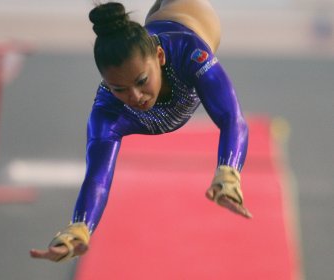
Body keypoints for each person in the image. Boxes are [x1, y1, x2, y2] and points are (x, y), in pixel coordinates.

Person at [30, 0, 252, 263]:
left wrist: (228, 173)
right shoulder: (108, 111)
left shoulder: (188, 52)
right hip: (155, 23)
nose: (134, 96)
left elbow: (232, 118)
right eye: (119, 88)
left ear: (159, 57)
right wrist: (79, 229)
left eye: (141, 81)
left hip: (187, 10)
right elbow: (97, 176)